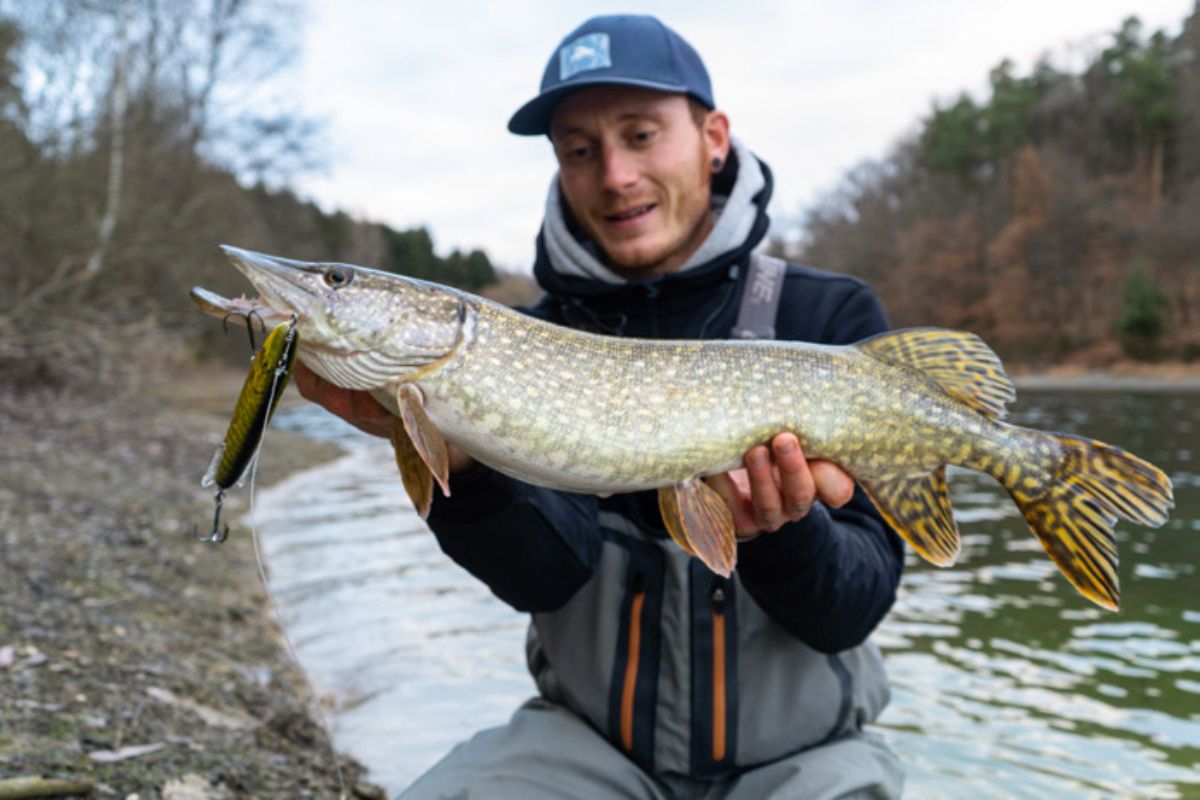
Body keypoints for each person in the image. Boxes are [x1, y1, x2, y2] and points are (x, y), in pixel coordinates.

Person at [295, 14, 905, 799]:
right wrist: (463, 456)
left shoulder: (828, 319)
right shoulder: (533, 335)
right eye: (580, 150)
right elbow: (545, 580)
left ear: (713, 136)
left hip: (805, 759)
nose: (614, 175)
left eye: (642, 134)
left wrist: (784, 531)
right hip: (584, 753)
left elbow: (848, 613)